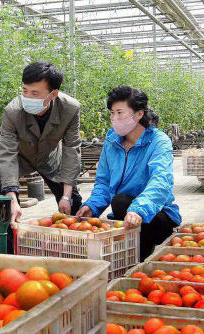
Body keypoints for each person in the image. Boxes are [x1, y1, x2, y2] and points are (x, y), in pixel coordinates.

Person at [77, 86, 181, 261]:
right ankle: (131, 260)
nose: (114, 118)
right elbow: (103, 181)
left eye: (119, 113)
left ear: (138, 114)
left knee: (121, 201)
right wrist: (93, 206)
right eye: (112, 113)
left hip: (157, 216)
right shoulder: (111, 142)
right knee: (120, 203)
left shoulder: (158, 141)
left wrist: (139, 209)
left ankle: (137, 263)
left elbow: (161, 181)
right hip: (125, 216)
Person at [0, 61, 83, 227]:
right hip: (19, 158)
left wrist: (66, 195)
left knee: (74, 203)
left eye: (35, 93)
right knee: (6, 208)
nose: (27, 97)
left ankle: (73, 246)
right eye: (24, 91)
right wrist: (12, 197)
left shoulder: (70, 109)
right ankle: (10, 249)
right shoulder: (12, 112)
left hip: (51, 158)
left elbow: (72, 149)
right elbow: (7, 154)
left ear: (53, 94)